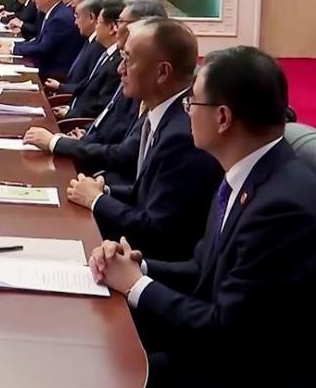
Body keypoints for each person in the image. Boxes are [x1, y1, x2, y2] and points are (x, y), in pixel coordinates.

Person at [88, 46, 316, 387]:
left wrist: (135, 284)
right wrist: (137, 265)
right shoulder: (245, 172)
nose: (187, 112)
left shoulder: (281, 208)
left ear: (222, 118)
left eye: (192, 102)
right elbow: (201, 267)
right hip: (211, 344)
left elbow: (225, 330)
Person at [66, 18, 223, 260]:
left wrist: (96, 200)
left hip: (151, 261)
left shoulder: (184, 134)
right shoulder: (160, 112)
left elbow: (158, 230)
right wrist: (104, 190)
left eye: (128, 60)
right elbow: (148, 194)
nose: (120, 69)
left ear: (162, 72)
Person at [23, 0, 168, 181]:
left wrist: (58, 142)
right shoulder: (130, 73)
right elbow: (110, 118)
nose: (121, 69)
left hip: (99, 170)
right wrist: (85, 134)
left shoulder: (146, 86)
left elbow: (124, 154)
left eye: (121, 22)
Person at [0, 0, 83, 80]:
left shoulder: (59, 18)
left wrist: (12, 50)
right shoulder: (54, 12)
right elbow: (38, 42)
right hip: (45, 67)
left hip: (53, 74)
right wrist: (12, 45)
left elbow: (42, 48)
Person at [57, 0, 122, 119]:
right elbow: (87, 87)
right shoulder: (107, 54)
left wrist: (70, 113)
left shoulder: (117, 63)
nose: (96, 28)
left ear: (112, 28)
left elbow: (101, 104)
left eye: (99, 23)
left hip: (80, 121)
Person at [45, 0, 104, 99]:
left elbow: (89, 88)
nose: (75, 22)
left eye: (77, 17)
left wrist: (60, 87)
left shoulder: (99, 46)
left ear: (91, 17)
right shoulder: (89, 40)